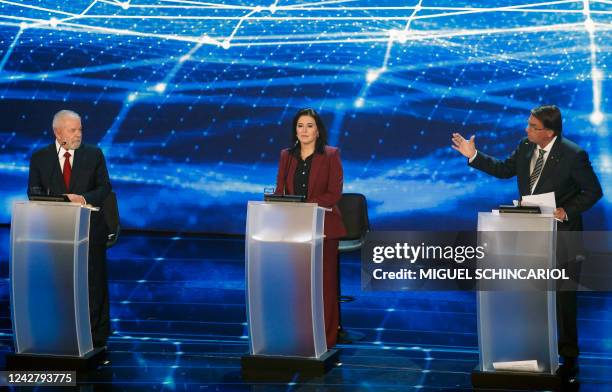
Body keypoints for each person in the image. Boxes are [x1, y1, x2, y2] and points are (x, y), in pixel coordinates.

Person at [451, 105, 603, 378]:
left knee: (563, 300)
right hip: (529, 233)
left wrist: (566, 210)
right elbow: (503, 169)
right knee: (529, 294)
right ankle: (531, 347)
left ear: (550, 132)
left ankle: (568, 357)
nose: (527, 129)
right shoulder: (524, 147)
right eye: (528, 124)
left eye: (534, 127)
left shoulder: (573, 154)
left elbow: (593, 191)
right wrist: (473, 155)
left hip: (563, 235)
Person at [28, 109, 112, 348]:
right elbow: (33, 192)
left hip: (89, 230)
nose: (78, 134)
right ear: (57, 132)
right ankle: (58, 330)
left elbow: (105, 188)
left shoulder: (94, 155)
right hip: (55, 231)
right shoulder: (40, 157)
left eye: (80, 129)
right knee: (58, 282)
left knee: (93, 283)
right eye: (72, 130)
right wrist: (59, 203)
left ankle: (96, 335)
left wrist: (82, 199)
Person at [274, 108, 347, 348]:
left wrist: (305, 207)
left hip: (323, 228)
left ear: (318, 131)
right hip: (294, 229)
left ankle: (326, 339)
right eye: (300, 126)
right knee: (298, 285)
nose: (304, 130)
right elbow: (280, 191)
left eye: (309, 126)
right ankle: (299, 334)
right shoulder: (287, 155)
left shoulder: (331, 155)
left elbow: (334, 194)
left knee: (324, 287)